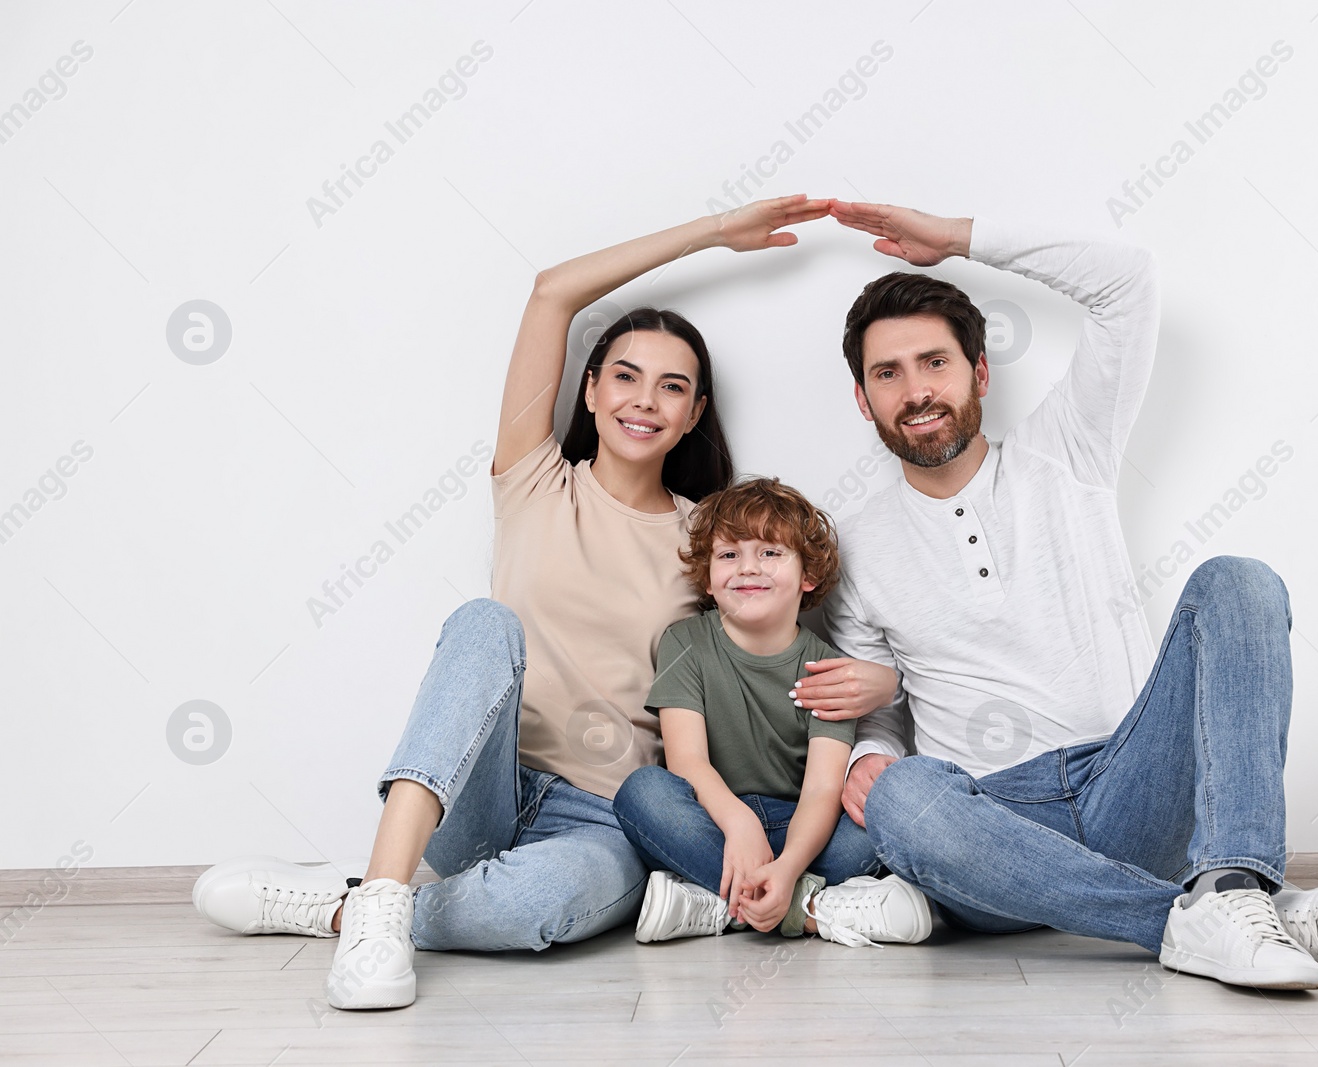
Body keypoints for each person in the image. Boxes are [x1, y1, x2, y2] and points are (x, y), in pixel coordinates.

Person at [190, 195, 900, 1011]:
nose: (645, 399)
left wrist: (882, 687)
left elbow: (782, 641)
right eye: (626, 376)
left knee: (541, 908)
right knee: (484, 622)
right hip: (484, 787)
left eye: (674, 387)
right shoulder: (533, 480)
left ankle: (341, 906)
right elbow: (552, 293)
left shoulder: (709, 538)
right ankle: (384, 898)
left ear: (694, 413)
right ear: (590, 389)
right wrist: (710, 232)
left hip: (608, 815)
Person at [817, 199, 1318, 991]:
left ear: (979, 372)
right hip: (994, 826)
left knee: (1239, 582)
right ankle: (1231, 911)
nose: (916, 390)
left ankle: (1230, 883)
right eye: (888, 373)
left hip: (1130, 784)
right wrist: (872, 758)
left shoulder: (1068, 449)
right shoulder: (853, 542)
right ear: (863, 398)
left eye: (934, 362)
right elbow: (875, 701)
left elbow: (1127, 282)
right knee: (907, 795)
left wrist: (958, 240)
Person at [612, 476, 932, 948]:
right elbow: (687, 763)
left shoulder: (827, 668)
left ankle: (724, 903)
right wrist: (739, 824)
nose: (748, 568)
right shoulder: (685, 643)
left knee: (869, 831)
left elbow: (824, 787)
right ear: (707, 576)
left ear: (808, 576)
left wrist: (787, 866)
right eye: (729, 555)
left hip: (800, 825)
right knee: (642, 793)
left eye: (770, 553)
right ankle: (806, 910)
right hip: (714, 819)